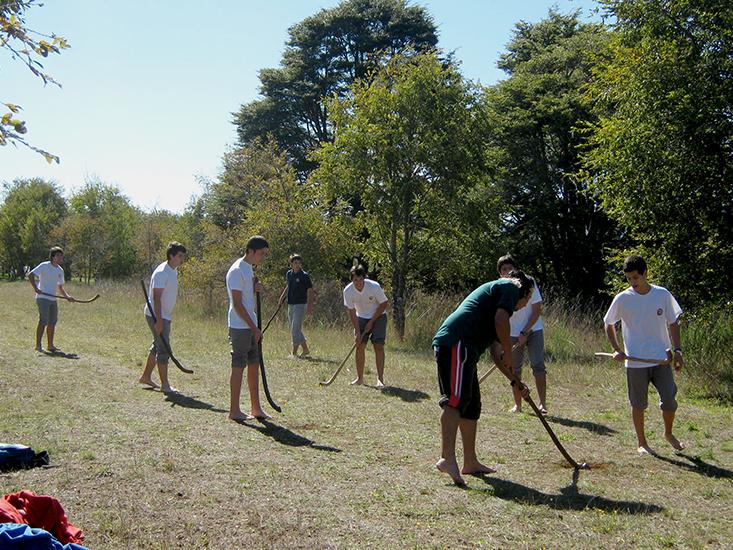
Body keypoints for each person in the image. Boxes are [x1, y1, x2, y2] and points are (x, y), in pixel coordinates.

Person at [433, 272, 534, 486]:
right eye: (527, 300)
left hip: (466, 350)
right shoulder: (510, 287)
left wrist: (517, 382)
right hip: (457, 344)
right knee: (455, 401)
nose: (524, 306)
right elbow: (501, 324)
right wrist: (509, 348)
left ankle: (470, 462)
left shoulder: (496, 305)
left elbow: (497, 356)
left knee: (471, 406)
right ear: (524, 292)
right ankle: (447, 458)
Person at [604, 255, 685, 455]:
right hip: (635, 362)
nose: (633, 282)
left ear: (645, 273)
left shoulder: (662, 295)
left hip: (661, 359)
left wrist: (678, 351)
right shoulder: (623, 298)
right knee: (638, 404)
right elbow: (609, 323)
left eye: (636, 277)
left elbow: (673, 323)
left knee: (669, 399)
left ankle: (668, 433)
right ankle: (642, 442)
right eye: (629, 278)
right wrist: (617, 349)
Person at [497, 254, 548, 414]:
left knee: (538, 365)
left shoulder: (528, 282)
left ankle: (543, 405)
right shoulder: (499, 286)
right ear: (500, 273)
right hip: (512, 333)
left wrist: (525, 332)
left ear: (515, 269)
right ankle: (517, 405)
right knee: (514, 368)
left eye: (509, 268)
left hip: (533, 330)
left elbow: (536, 309)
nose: (507, 271)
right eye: (503, 269)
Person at [226, 235, 270, 421]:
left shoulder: (248, 268)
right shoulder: (236, 270)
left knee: (254, 364)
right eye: (261, 253)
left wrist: (254, 287)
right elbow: (237, 304)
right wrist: (254, 327)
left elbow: (245, 295)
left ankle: (256, 408)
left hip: (250, 326)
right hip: (240, 326)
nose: (263, 257)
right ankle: (234, 410)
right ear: (251, 251)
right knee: (239, 365)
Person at [139, 242, 187, 393]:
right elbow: (156, 298)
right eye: (179, 256)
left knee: (158, 345)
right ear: (171, 255)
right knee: (164, 349)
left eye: (182, 256)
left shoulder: (173, 271)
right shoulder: (162, 272)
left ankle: (146, 376)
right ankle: (165, 385)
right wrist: (159, 320)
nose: (182, 259)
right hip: (156, 315)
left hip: (164, 315)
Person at [342, 265, 389, 387]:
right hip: (361, 317)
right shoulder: (348, 291)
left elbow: (384, 303)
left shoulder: (374, 286)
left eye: (360, 279)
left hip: (379, 316)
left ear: (364, 278)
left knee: (378, 346)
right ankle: (360, 378)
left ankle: (380, 379)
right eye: (355, 280)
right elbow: (352, 311)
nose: (358, 283)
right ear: (352, 280)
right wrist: (358, 331)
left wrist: (372, 321)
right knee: (359, 345)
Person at [28, 247, 74, 353]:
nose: (60, 258)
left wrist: (67, 297)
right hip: (42, 298)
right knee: (43, 321)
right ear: (53, 257)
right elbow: (30, 275)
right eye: (58, 255)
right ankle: (38, 345)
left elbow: (60, 287)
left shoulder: (60, 270)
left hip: (53, 299)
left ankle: (50, 345)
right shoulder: (44, 265)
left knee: (52, 322)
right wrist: (36, 288)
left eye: (61, 256)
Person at [278, 254, 315, 357]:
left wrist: (310, 306)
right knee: (294, 328)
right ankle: (305, 349)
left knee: (295, 328)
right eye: (295, 263)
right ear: (291, 264)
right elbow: (288, 286)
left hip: (301, 304)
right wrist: (281, 298)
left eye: (299, 263)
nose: (297, 265)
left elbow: (310, 290)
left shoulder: (304, 276)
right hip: (291, 303)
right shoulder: (289, 274)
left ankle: (294, 352)